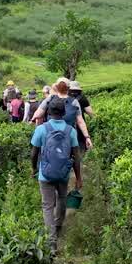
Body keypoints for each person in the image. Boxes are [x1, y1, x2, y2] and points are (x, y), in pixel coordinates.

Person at [30, 97, 82, 253]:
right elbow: (76, 156)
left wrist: (34, 169)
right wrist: (78, 177)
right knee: (62, 198)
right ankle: (58, 226)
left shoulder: (41, 129)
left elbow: (34, 153)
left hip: (45, 174)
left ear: (48, 112)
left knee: (47, 206)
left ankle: (51, 241)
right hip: (63, 173)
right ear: (64, 112)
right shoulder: (70, 131)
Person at [32, 78, 93, 150]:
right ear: (68, 88)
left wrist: (32, 119)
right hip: (68, 136)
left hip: (51, 136)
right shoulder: (74, 102)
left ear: (57, 87)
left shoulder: (50, 98)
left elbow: (38, 113)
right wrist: (87, 137)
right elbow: (80, 121)